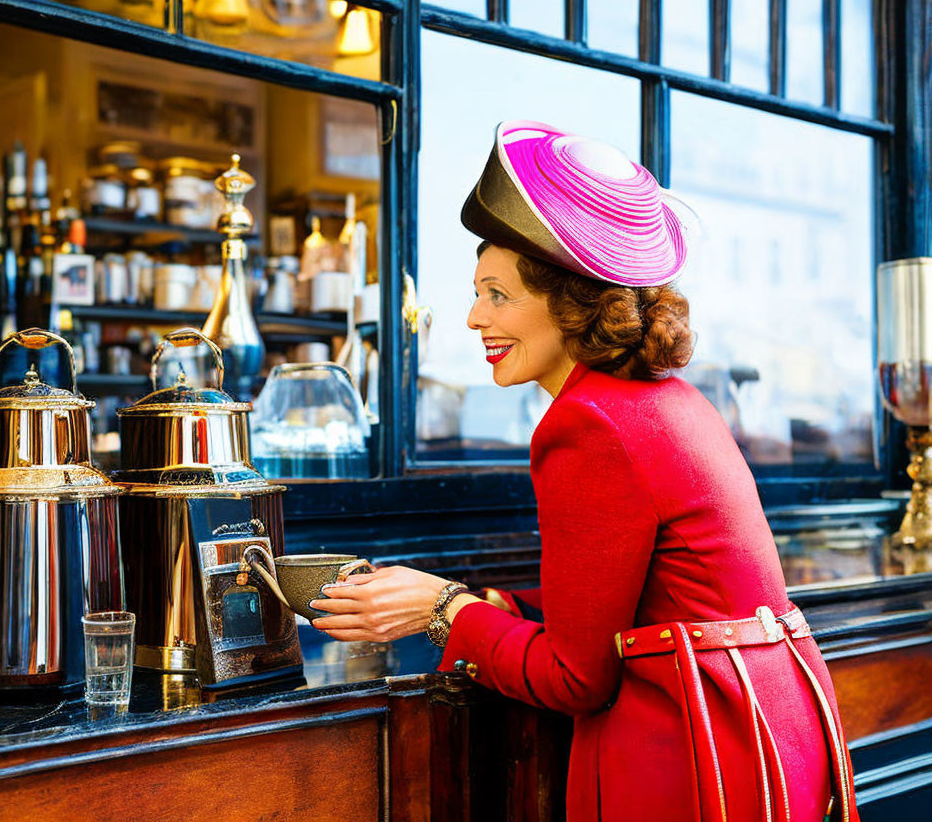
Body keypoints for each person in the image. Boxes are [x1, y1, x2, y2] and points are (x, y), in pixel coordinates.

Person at [309, 120, 858, 822]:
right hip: (762, 741)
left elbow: (575, 678)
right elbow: (640, 600)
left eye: (498, 294)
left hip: (687, 765)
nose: (475, 317)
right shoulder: (666, 400)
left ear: (572, 304)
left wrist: (441, 609)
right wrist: (490, 603)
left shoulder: (588, 423)